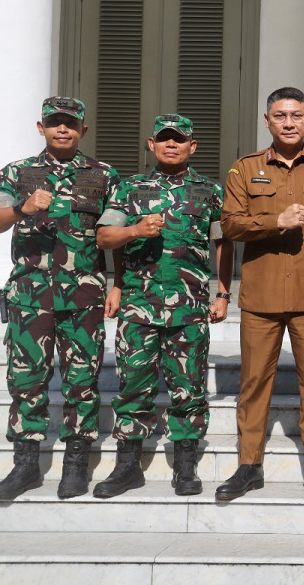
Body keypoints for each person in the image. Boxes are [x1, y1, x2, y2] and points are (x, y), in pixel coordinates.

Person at [216, 87, 304, 501]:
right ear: (267, 120)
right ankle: (249, 465)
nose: (288, 123)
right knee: (254, 384)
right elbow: (230, 225)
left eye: (296, 115)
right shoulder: (244, 169)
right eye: (280, 116)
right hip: (261, 296)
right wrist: (274, 220)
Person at [0, 96, 119, 500]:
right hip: (30, 298)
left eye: (70, 124)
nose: (63, 129)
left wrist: (119, 283)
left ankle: (76, 465)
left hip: (84, 299)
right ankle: (25, 466)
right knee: (26, 382)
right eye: (54, 123)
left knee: (82, 382)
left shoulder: (104, 175)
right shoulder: (18, 172)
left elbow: (114, 235)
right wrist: (22, 209)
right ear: (41, 128)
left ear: (83, 130)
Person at [93, 114, 234, 498]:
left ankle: (185, 466)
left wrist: (223, 293)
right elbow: (106, 237)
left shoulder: (209, 191)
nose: (171, 144)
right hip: (139, 306)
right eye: (164, 139)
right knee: (133, 385)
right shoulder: (130, 188)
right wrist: (134, 233)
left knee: (189, 388)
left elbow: (223, 243)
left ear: (193, 146)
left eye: (179, 139)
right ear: (152, 145)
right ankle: (127, 467)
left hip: (190, 308)